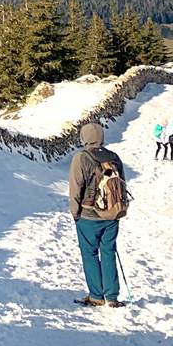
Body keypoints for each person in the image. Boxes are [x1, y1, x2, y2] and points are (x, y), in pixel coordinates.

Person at [69, 121, 127, 307]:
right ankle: (112, 296)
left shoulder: (81, 158)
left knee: (90, 254)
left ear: (84, 138)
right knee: (108, 252)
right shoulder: (114, 157)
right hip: (111, 215)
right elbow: (122, 184)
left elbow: (75, 188)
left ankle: (96, 295)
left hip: (89, 216)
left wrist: (75, 213)